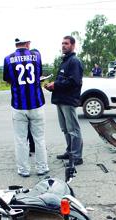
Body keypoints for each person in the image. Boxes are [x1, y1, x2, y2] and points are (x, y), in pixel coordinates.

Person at [3, 38, 49, 177]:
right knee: (39, 138)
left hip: (18, 105)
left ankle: (23, 170)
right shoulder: (37, 56)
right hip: (36, 104)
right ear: (28, 43)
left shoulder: (8, 59)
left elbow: (8, 79)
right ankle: (42, 167)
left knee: (21, 140)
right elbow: (39, 74)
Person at [44, 36, 83, 166]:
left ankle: (77, 157)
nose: (63, 46)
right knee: (66, 129)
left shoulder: (74, 61)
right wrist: (52, 86)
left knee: (73, 130)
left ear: (73, 45)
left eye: (66, 43)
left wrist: (56, 85)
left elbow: (74, 81)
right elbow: (62, 81)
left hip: (69, 100)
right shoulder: (65, 61)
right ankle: (70, 152)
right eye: (62, 43)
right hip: (60, 100)